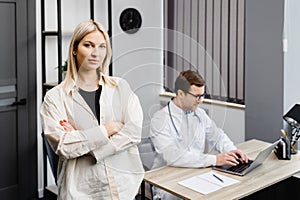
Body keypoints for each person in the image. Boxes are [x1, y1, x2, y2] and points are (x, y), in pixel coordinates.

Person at [40, 20, 144, 200]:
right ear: (74, 48)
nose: (96, 52)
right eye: (88, 45)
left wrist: (88, 144)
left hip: (123, 187)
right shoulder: (55, 98)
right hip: (82, 191)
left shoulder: (120, 88)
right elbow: (64, 145)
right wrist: (108, 130)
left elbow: (133, 132)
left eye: (102, 46)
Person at [150, 70, 249, 200]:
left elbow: (217, 136)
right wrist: (214, 160)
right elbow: (172, 156)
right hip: (168, 182)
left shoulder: (200, 114)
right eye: (197, 96)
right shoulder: (160, 119)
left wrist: (232, 150)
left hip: (196, 173)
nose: (201, 101)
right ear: (180, 94)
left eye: (203, 95)